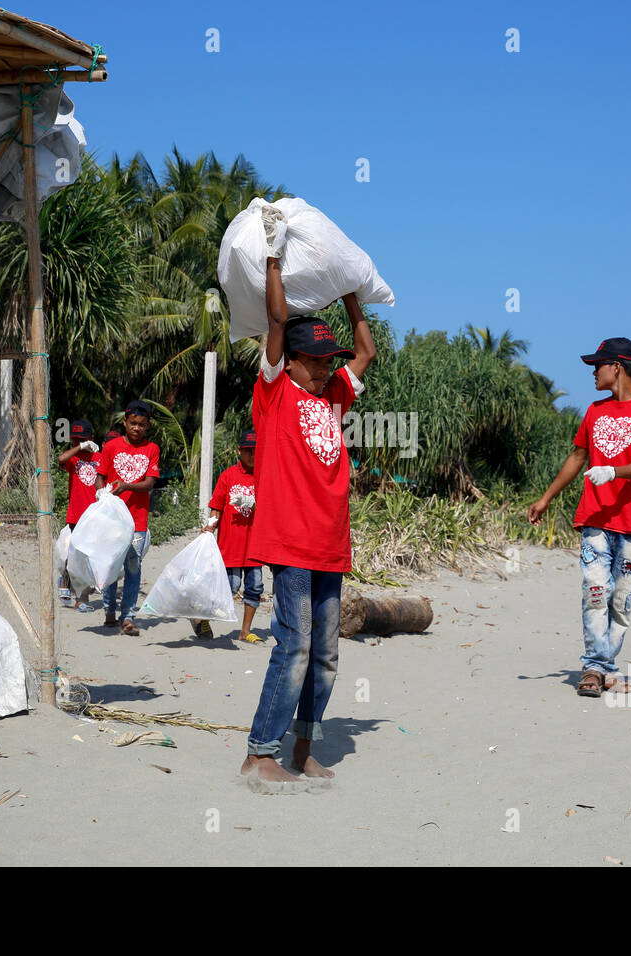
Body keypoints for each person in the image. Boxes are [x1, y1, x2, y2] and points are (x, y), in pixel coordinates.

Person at [240, 223, 377, 785]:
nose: (325, 369)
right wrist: (274, 254)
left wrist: (349, 288)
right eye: (316, 361)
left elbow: (365, 349)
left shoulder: (335, 396)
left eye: (328, 362)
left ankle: (303, 748)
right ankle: (259, 753)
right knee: (293, 647)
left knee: (325, 656)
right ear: (290, 362)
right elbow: (276, 321)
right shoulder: (275, 393)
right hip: (290, 542)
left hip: (329, 543)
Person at [528, 337, 631, 697]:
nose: (593, 372)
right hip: (594, 519)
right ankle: (594, 668)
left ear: (617, 367)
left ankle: (605, 666)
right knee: (595, 591)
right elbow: (577, 458)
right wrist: (545, 498)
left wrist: (613, 472)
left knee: (620, 600)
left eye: (598, 365)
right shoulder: (593, 411)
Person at [95, 399, 160, 636]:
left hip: (138, 521)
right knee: (111, 564)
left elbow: (150, 483)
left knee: (133, 566)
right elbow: (99, 476)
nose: (137, 428)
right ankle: (109, 610)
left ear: (147, 425)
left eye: (142, 425)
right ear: (125, 422)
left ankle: (128, 616)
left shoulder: (152, 449)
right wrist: (101, 494)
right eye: (133, 423)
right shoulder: (111, 447)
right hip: (113, 520)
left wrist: (127, 485)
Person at [197, 428, 263, 643]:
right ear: (239, 451)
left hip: (255, 548)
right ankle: (201, 619)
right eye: (247, 451)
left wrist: (253, 506)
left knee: (255, 588)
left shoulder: (265, 477)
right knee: (228, 588)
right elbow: (216, 507)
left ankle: (245, 631)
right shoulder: (228, 476)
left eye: (255, 450)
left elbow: (272, 510)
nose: (252, 455)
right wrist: (210, 526)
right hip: (231, 547)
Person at [57, 419, 101, 609]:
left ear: (92, 438)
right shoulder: (74, 457)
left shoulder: (100, 458)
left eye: (82, 440)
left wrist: (97, 451)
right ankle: (65, 581)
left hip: (94, 514)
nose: (78, 443)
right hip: (76, 514)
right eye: (75, 440)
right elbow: (61, 459)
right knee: (72, 553)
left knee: (88, 556)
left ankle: (82, 598)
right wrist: (79, 447)